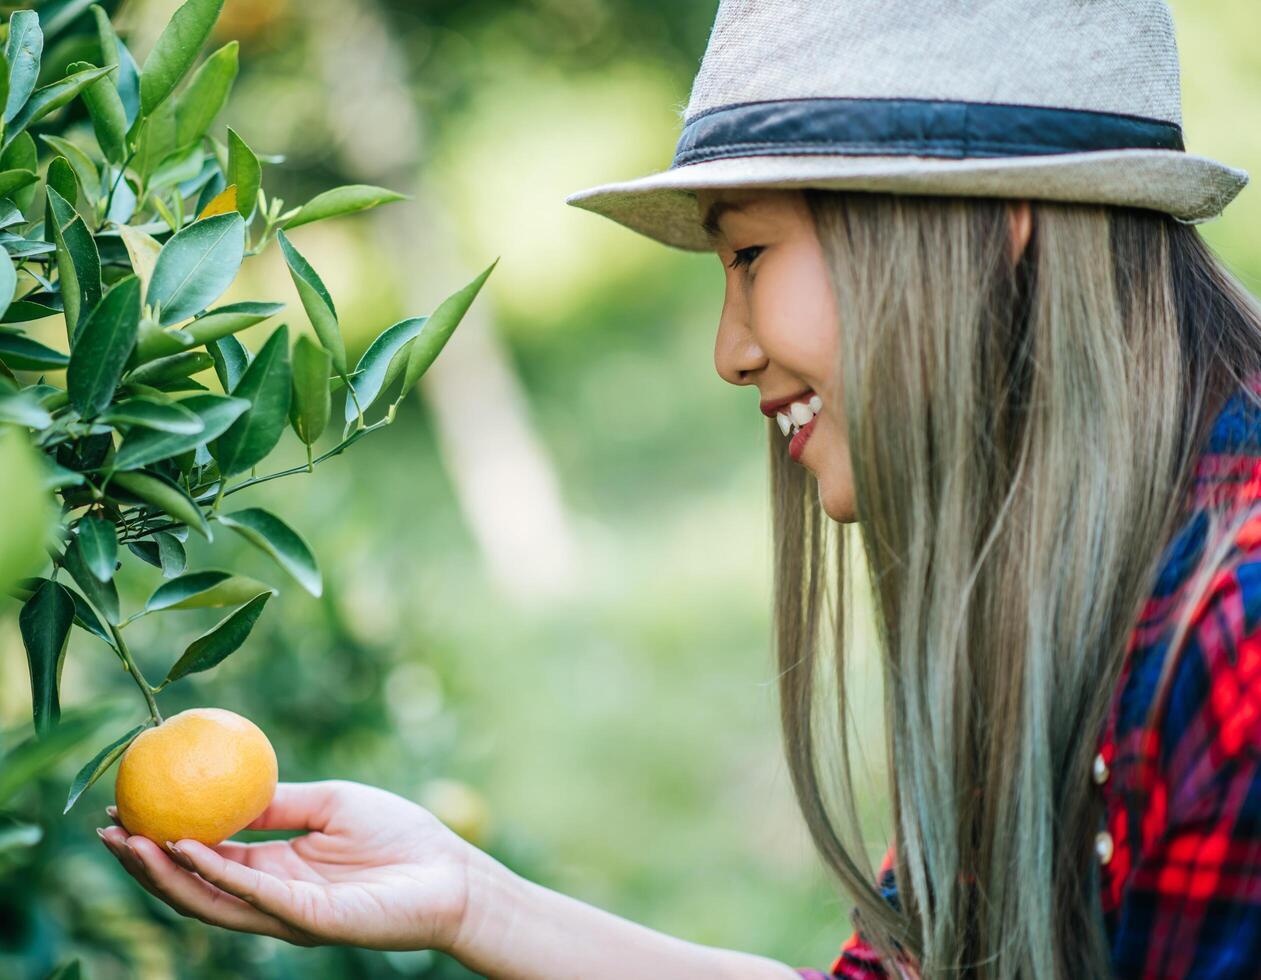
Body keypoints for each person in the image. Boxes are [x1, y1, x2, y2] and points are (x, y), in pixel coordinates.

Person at [98, 1, 1261, 976]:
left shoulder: (1236, 636)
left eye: (749, 254)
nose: (728, 349)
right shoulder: (1081, 578)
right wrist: (467, 898)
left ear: (994, 223)